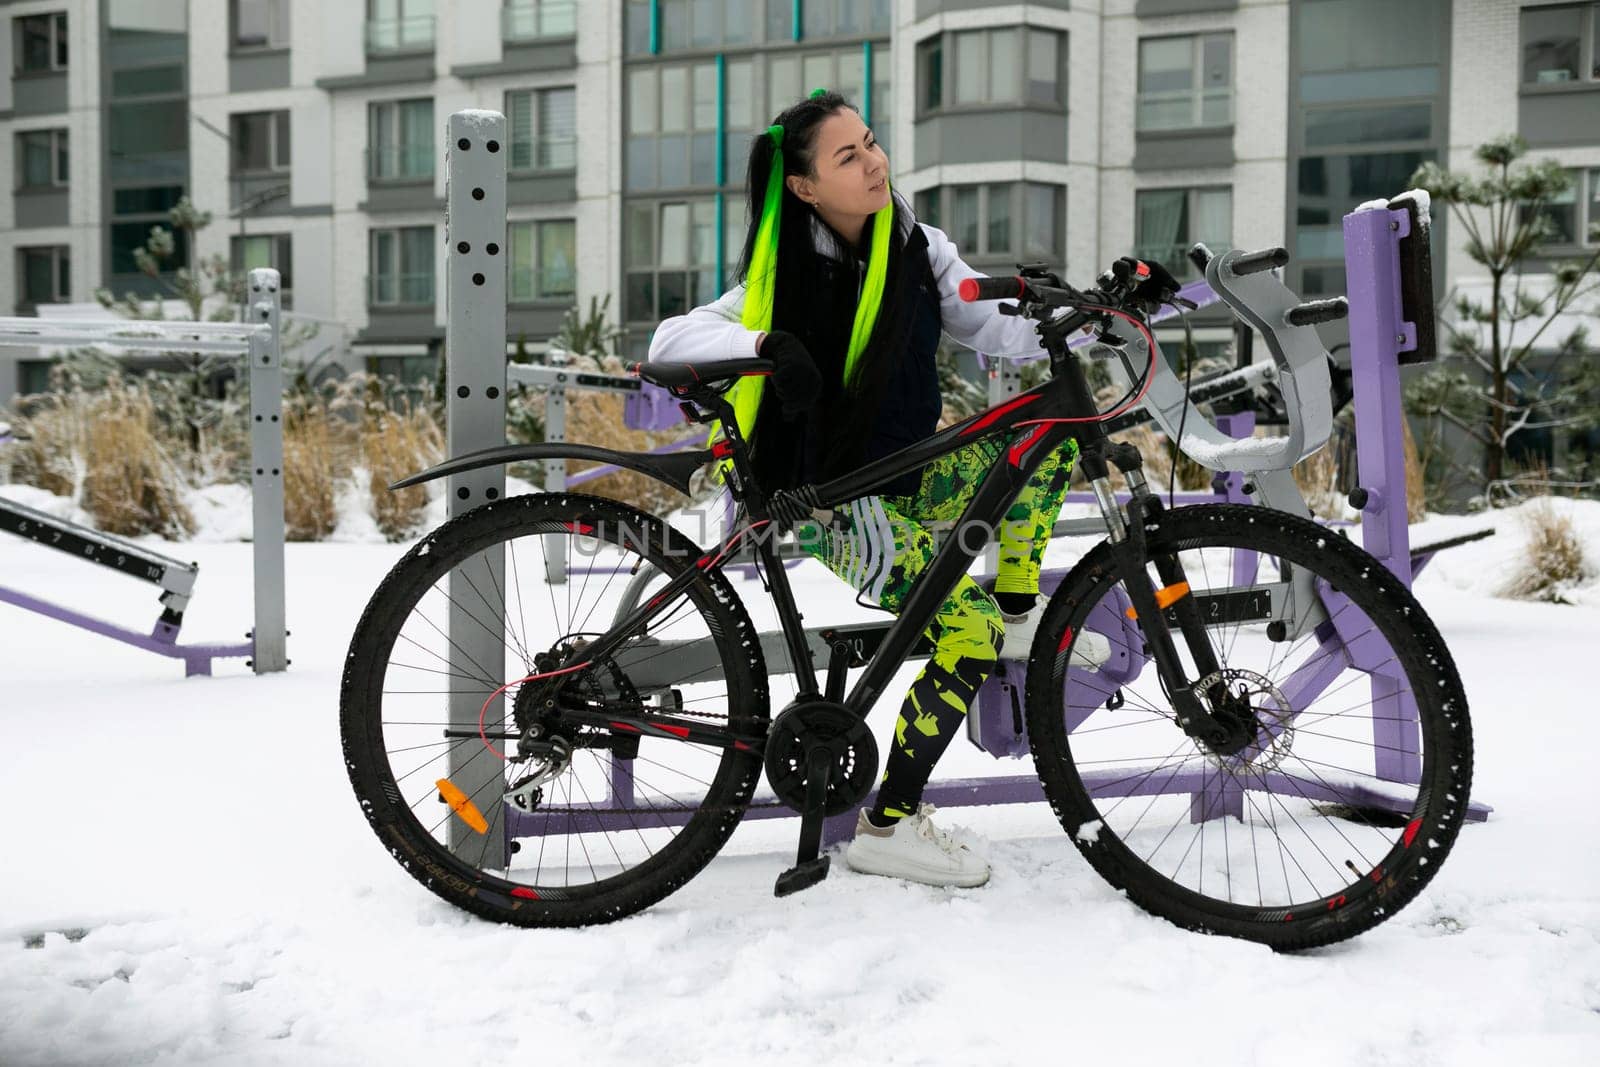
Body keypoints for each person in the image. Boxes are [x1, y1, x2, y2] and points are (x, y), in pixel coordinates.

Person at [649, 90, 1110, 889]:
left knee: (1049, 431)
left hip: (913, 469)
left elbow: (992, 321)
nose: (875, 163)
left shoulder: (917, 246)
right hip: (838, 504)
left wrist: (1094, 311)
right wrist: (765, 342)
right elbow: (672, 340)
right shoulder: (779, 273)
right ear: (804, 187)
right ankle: (887, 824)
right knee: (959, 632)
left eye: (871, 143)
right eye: (848, 156)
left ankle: (1017, 612)